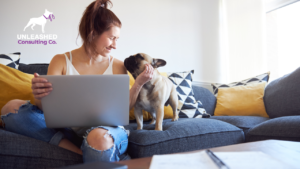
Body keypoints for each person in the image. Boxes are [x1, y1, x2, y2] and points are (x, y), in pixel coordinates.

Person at [0, 0, 154, 163]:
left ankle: (97, 150)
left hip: (106, 132)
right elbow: (45, 109)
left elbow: (123, 109)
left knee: (98, 138)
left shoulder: (117, 66)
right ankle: (87, 155)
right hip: (68, 131)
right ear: (93, 32)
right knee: (11, 109)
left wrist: (138, 84)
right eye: (111, 38)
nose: (115, 45)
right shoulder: (60, 61)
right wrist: (40, 95)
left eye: (117, 39)